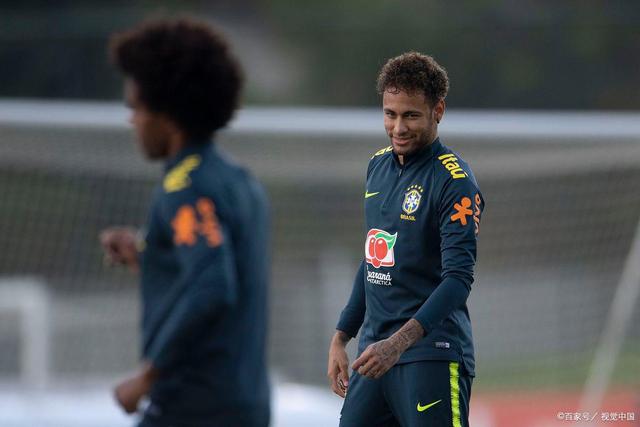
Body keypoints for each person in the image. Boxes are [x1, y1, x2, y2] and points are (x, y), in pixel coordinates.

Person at [100, 18, 270, 427]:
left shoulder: (185, 186)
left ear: (167, 114)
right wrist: (148, 254)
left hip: (193, 405)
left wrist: (147, 376)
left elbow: (212, 287)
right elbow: (216, 263)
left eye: (136, 108)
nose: (132, 121)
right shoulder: (238, 180)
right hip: (245, 403)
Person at [327, 52, 484, 427]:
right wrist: (341, 337)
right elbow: (374, 259)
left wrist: (398, 343)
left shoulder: (455, 182)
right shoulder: (377, 166)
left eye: (410, 115)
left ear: (437, 111)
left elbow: (458, 279)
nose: (398, 127)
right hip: (374, 354)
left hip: (430, 354)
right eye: (390, 114)